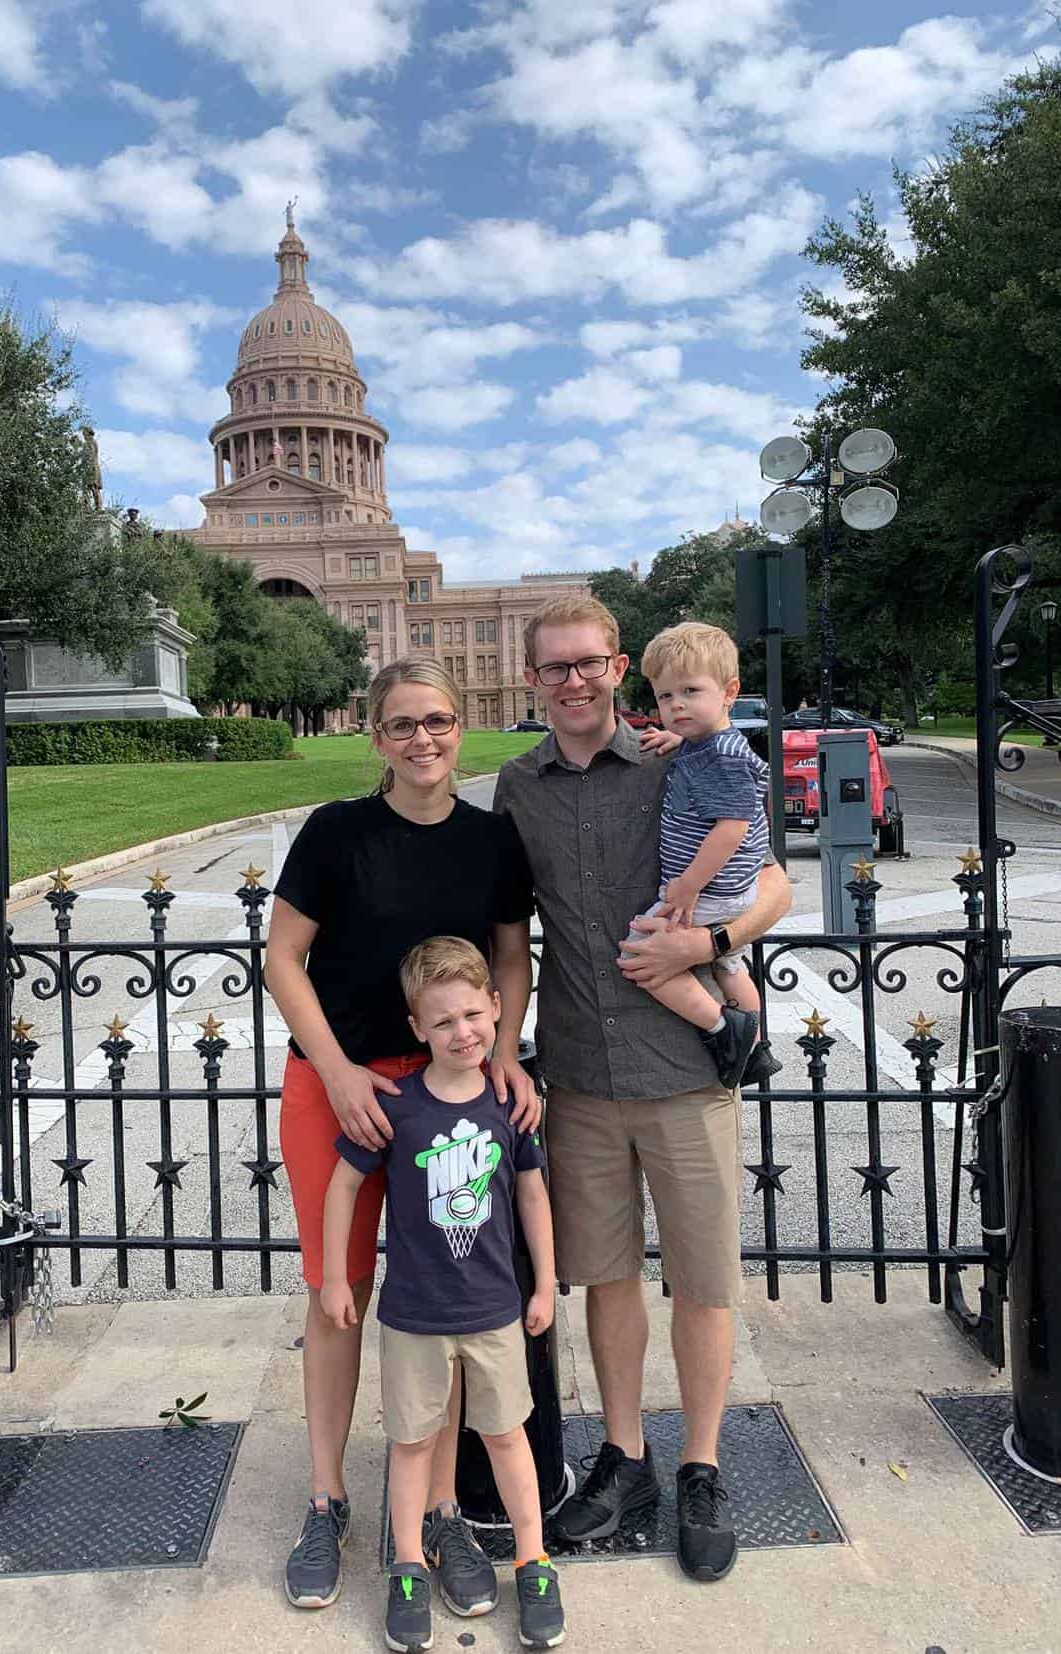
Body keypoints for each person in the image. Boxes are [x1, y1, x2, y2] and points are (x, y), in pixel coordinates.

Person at [491, 593, 792, 1583]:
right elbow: (506, 936)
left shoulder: (678, 755)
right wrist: (499, 1042)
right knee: (606, 1276)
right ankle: (626, 1456)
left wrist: (709, 942)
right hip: (578, 1073)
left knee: (701, 1280)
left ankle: (701, 1460)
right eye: (554, 667)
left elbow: (772, 881)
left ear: (617, 665)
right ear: (532, 678)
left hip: (680, 1070)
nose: (572, 681)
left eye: (588, 663)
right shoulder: (518, 786)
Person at [265, 659, 540, 1615]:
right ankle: (327, 1495)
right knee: (337, 1294)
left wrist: (501, 1051)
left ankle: (446, 1511)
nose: (425, 740)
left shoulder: (490, 839)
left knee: (452, 1293)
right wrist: (338, 1068)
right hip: (338, 1085)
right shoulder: (337, 833)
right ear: (374, 737)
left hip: (451, 1086)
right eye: (403, 726)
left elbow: (511, 955)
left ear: (460, 728)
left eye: (440, 722)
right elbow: (283, 958)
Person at [322, 937, 564, 1653]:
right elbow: (343, 1185)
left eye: (472, 1014)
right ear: (417, 1029)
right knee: (411, 1441)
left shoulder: (507, 1105)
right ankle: (405, 1565)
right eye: (443, 1021)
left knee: (505, 1435)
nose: (462, 1032)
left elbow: (531, 1194)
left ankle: (532, 1559)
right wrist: (338, 1275)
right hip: (414, 1316)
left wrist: (544, 1283)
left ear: (497, 1007)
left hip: (493, 1311)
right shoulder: (399, 1107)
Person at [626, 621, 782, 1091]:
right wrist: (681, 739)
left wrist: (689, 884)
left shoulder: (721, 758)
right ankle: (757, 1049)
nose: (676, 705)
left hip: (710, 892)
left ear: (730, 691)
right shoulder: (712, 746)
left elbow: (732, 827)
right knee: (730, 964)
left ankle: (723, 1030)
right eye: (666, 696)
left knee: (640, 954)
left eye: (691, 691)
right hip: (731, 891)